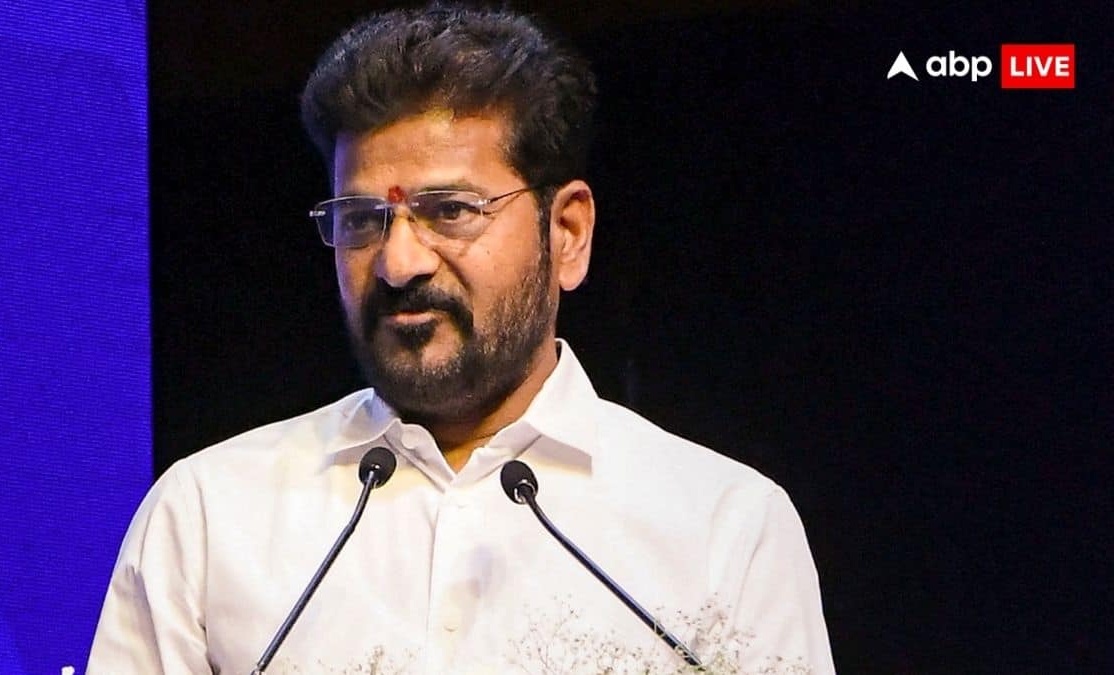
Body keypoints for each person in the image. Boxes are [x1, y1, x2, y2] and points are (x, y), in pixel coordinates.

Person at [88, 4, 835, 674]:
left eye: (449, 210)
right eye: (362, 220)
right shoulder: (208, 515)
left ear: (567, 234)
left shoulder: (724, 527)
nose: (398, 262)